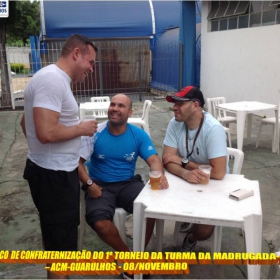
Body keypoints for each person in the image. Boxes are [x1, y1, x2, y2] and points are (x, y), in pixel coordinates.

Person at [20, 34, 98, 279]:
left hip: (50, 171)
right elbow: (45, 132)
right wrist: (82, 129)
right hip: (54, 177)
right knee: (62, 251)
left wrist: (42, 152)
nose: (91, 69)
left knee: (55, 242)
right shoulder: (53, 80)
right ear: (76, 53)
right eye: (90, 61)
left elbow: (26, 123)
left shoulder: (51, 78)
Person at [78, 93, 169, 279]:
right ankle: (129, 258)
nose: (115, 109)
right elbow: (76, 163)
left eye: (121, 106)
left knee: (151, 208)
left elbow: (153, 160)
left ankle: (139, 255)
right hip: (100, 185)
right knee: (99, 222)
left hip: (128, 183)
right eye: (113, 104)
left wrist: (159, 175)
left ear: (130, 112)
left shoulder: (138, 134)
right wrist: (89, 184)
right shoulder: (95, 133)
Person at [162, 86, 228, 253]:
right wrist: (185, 173)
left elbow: (218, 173)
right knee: (156, 205)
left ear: (196, 105)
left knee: (203, 232)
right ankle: (188, 217)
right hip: (185, 181)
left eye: (180, 103)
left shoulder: (213, 128)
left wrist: (183, 161)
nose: (174, 107)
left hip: (212, 184)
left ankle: (191, 237)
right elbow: (167, 160)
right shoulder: (174, 123)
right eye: (174, 103)